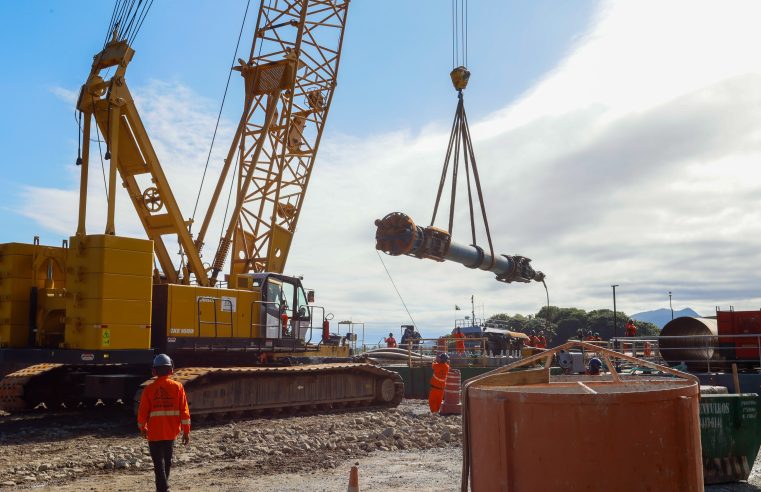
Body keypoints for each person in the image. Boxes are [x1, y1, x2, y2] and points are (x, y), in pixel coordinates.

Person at [137, 354, 191, 492]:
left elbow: (142, 412)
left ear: (154, 371)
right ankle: (162, 488)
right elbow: (184, 411)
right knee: (167, 462)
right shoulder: (178, 387)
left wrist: (142, 428)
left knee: (158, 464)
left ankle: (163, 489)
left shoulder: (149, 390)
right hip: (171, 432)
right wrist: (186, 431)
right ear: (171, 369)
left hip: (154, 433)